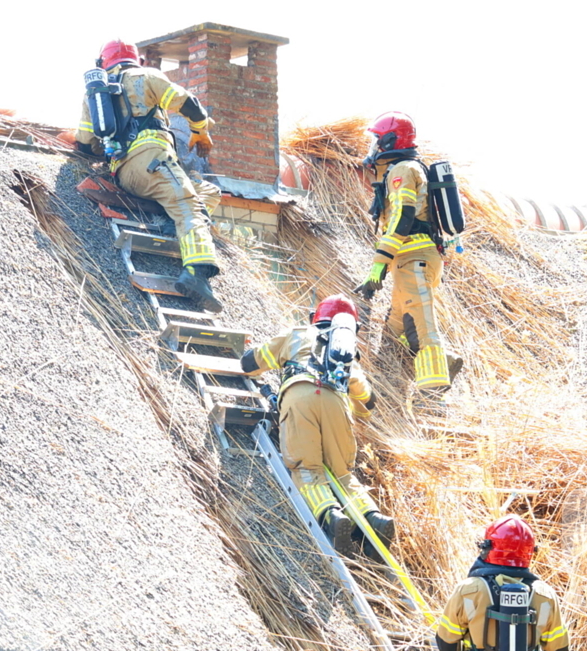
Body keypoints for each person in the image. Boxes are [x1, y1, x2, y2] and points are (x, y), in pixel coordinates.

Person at [240, 294, 394, 557]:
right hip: (337, 403)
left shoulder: (297, 334)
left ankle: (331, 516)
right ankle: (373, 517)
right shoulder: (346, 356)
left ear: (315, 317)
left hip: (300, 397)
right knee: (342, 472)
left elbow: (250, 365)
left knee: (307, 467)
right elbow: (366, 405)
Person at [75, 39, 224, 312]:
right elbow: (189, 104)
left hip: (124, 174)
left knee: (208, 192)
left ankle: (168, 221)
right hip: (154, 161)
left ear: (102, 64)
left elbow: (86, 144)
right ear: (136, 60)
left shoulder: (93, 95)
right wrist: (201, 131)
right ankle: (197, 273)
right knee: (189, 207)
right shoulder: (147, 76)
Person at [354, 111, 462, 399]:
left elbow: (403, 218)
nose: (374, 146)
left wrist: (378, 267)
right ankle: (388, 389)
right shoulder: (405, 168)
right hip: (407, 261)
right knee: (396, 331)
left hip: (415, 259)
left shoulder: (402, 170)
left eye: (377, 139)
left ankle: (434, 394)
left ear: (390, 140)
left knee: (423, 328)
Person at [436, 515, 569, 651]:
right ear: (530, 552)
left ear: (488, 547)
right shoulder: (545, 595)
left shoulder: (468, 590)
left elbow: (446, 641)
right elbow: (559, 647)